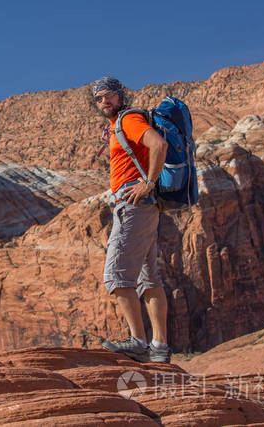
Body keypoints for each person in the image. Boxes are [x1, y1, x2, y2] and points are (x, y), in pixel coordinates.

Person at [93, 76, 172, 363]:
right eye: (99, 98)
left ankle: (138, 342)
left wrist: (148, 183)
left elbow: (158, 145)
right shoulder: (116, 125)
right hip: (145, 206)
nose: (104, 101)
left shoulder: (128, 120)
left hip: (135, 203)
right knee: (148, 278)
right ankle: (160, 349)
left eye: (109, 96)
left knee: (115, 275)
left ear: (120, 95)